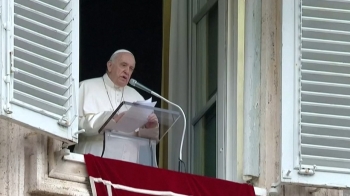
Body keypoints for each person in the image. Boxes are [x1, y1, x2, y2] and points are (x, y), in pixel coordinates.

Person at [74, 49, 159, 158]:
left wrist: (150, 128)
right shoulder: (86, 87)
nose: (127, 71)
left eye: (131, 68)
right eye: (123, 65)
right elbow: (76, 126)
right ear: (110, 66)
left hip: (127, 165)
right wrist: (110, 119)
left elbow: (147, 144)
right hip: (93, 160)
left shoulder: (138, 98)